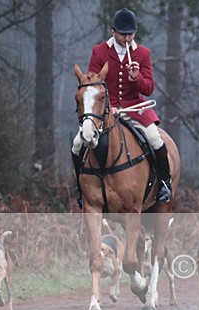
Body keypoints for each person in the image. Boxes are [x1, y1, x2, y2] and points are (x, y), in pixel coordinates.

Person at [72, 8, 173, 205]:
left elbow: (149, 88)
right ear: (113, 32)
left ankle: (164, 183)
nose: (127, 38)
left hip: (134, 108)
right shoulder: (99, 51)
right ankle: (80, 188)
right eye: (122, 34)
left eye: (131, 34)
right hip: (104, 111)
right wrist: (107, 107)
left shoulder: (142, 53)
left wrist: (137, 78)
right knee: (77, 144)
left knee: (155, 138)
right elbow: (92, 83)